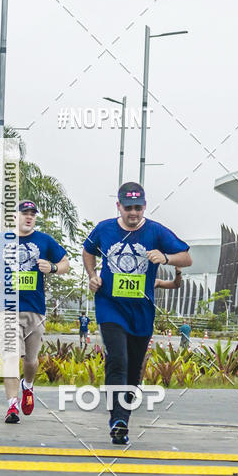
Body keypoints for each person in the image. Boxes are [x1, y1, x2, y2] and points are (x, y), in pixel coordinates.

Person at [83, 181, 191, 445]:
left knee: (133, 370)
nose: (133, 213)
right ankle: (118, 420)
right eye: (128, 207)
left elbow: (186, 257)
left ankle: (124, 410)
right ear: (118, 206)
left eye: (138, 208)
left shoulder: (156, 231)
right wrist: (92, 275)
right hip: (110, 306)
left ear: (144, 207)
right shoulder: (104, 229)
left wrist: (165, 258)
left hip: (141, 312)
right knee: (117, 359)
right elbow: (87, 250)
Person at [0, 201, 70, 424]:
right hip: (7, 308)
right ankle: (12, 405)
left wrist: (53, 268)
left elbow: (65, 263)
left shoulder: (44, 240)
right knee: (10, 356)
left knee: (31, 361)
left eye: (33, 213)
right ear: (15, 216)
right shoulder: (0, 240)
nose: (29, 217)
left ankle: (28, 385)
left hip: (34, 308)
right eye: (25, 213)